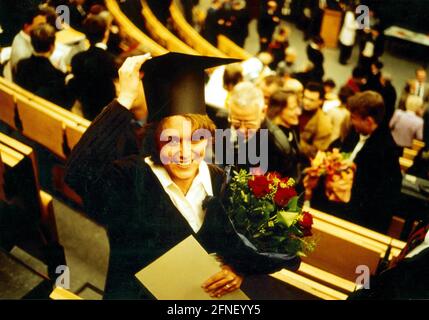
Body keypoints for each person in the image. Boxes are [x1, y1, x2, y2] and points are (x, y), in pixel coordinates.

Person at [65, 52, 299, 299]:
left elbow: (261, 245)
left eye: (196, 138)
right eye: (172, 140)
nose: (185, 152)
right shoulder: (130, 179)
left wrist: (239, 268)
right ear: (155, 139)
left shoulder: (224, 182)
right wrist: (124, 100)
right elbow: (77, 174)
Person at [309, 91, 402, 233]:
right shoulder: (354, 133)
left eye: (353, 118)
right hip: (334, 203)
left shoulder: (386, 150)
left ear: (369, 121)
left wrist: (353, 171)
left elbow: (379, 195)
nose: (351, 121)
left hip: (355, 218)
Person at [69, 14, 118, 121]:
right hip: (102, 114)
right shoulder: (110, 60)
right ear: (106, 33)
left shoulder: (77, 58)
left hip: (84, 107)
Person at [15, 23, 72, 109]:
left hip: (23, 108)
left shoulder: (21, 64)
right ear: (52, 47)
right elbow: (65, 104)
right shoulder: (57, 76)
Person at [267, 89, 304, 182]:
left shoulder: (293, 128)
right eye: (292, 108)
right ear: (278, 110)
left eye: (297, 107)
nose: (298, 112)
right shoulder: (269, 137)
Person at [299, 82, 333, 160]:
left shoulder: (324, 123)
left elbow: (315, 153)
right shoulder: (296, 107)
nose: (306, 102)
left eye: (311, 100)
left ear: (320, 101)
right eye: (305, 97)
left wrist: (294, 139)